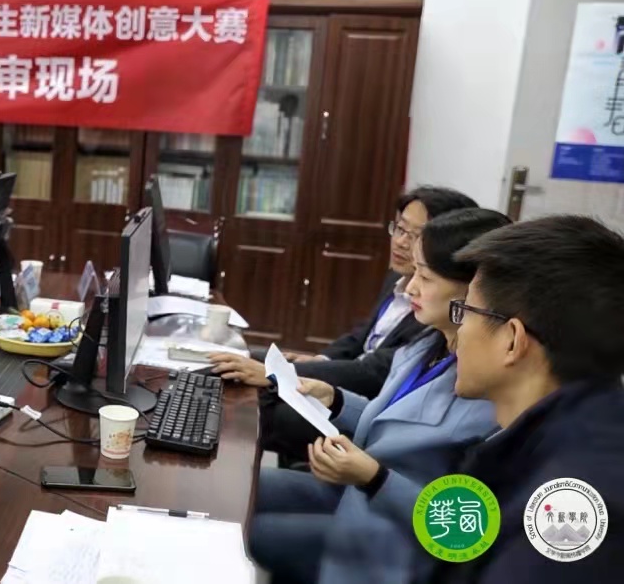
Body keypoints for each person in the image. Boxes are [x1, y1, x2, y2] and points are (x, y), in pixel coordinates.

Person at [247, 208, 510, 584]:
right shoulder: (427, 345)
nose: (410, 288)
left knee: (251, 532)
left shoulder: (487, 388)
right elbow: (395, 420)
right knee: (240, 490)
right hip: (358, 497)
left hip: (396, 537)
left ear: (472, 291)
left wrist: (374, 477)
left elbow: (462, 527)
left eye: (425, 277)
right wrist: (336, 400)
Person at [429, 216, 624, 583]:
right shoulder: (585, 433)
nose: (458, 332)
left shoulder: (566, 519)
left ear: (512, 340)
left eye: (466, 312)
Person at [211, 186, 477, 396]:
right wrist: (320, 359)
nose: (400, 242)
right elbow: (360, 337)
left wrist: (283, 373)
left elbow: (374, 372)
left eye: (416, 235)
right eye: (399, 228)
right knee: (238, 359)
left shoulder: (437, 309)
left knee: (256, 391)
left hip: (359, 395)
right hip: (341, 380)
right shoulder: (397, 278)